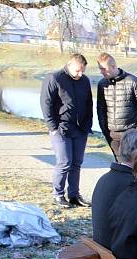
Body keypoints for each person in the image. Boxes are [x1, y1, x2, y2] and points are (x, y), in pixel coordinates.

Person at [40, 53, 93, 208]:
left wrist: (87, 125)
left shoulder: (85, 81)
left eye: (83, 70)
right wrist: (53, 127)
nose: (80, 74)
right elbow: (46, 104)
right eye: (77, 70)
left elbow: (89, 103)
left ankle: (74, 195)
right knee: (64, 162)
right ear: (69, 65)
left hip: (80, 129)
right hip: (61, 128)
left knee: (76, 163)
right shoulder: (54, 78)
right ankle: (58, 195)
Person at [91, 130, 137, 248]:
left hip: (105, 249)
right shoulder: (135, 186)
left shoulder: (106, 178)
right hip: (121, 257)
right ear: (136, 154)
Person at [96, 52, 137, 160]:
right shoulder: (102, 84)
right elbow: (101, 109)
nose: (101, 72)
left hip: (131, 133)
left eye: (104, 69)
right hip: (112, 135)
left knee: (133, 167)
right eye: (100, 69)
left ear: (113, 66)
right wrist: (105, 130)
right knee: (119, 166)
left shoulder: (133, 81)